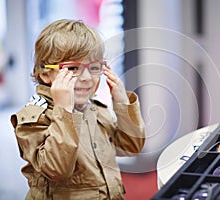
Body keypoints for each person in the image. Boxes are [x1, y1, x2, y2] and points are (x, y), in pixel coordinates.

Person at [10, 19, 146, 200]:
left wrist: (122, 103)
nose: (87, 77)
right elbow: (57, 169)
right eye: (73, 68)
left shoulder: (95, 109)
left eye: (95, 67)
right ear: (45, 73)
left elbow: (131, 147)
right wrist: (64, 110)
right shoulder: (33, 118)